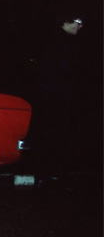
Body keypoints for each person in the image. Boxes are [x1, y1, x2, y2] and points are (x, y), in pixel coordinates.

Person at [31, 11, 85, 178]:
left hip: (54, 93)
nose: (80, 26)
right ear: (66, 21)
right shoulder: (59, 41)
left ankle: (50, 169)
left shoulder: (61, 40)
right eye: (77, 21)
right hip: (55, 94)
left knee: (54, 131)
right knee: (55, 131)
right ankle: (52, 170)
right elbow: (63, 69)